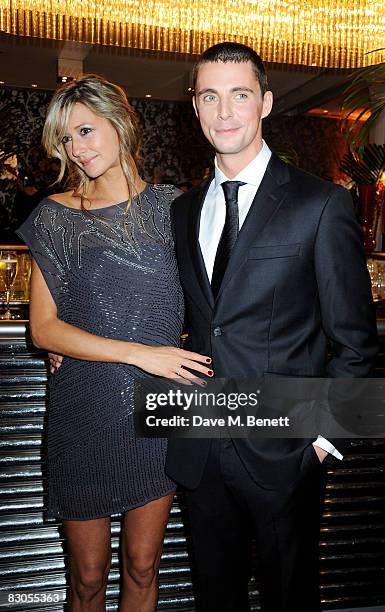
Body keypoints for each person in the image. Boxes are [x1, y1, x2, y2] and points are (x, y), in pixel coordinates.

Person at [164, 42, 378, 611]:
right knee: (216, 597)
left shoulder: (321, 203)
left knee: (291, 597)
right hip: (199, 443)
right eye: (210, 96)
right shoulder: (183, 210)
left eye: (240, 95)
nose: (225, 111)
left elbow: (355, 342)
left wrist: (326, 443)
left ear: (265, 102)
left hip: (287, 446)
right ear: (196, 109)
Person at [17, 74, 213, 612]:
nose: (77, 150)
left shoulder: (178, 212)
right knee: (86, 577)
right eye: (66, 140)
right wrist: (138, 351)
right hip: (84, 409)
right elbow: (44, 329)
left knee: (143, 565)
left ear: (121, 123)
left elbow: (212, 305)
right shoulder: (54, 218)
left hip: (159, 409)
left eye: (84, 130)